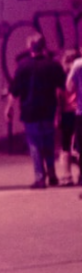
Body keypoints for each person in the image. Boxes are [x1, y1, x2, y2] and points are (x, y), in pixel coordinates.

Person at [4, 34, 66, 189]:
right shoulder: (53, 65)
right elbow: (62, 88)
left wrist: (9, 107)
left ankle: (40, 178)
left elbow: (15, 90)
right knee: (49, 143)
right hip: (49, 110)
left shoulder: (23, 66)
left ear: (30, 47)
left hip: (30, 111)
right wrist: (60, 110)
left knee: (35, 145)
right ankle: (52, 174)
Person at [58, 49, 79, 185]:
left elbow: (59, 96)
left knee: (65, 145)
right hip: (79, 111)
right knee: (79, 145)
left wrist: (57, 115)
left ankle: (67, 175)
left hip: (67, 112)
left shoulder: (63, 77)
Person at [63, 50, 82, 186]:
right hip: (76, 111)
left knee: (75, 147)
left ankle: (71, 176)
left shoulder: (77, 66)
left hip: (77, 112)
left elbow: (69, 87)